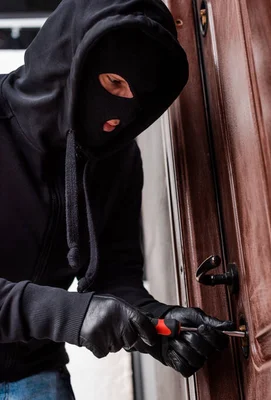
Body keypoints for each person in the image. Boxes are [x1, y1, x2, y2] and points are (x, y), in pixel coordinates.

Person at [0, 0, 234, 396]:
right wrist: (70, 314)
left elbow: (114, 276)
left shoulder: (117, 158)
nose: (121, 112)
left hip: (36, 374)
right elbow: (77, 311)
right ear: (67, 60)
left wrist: (157, 324)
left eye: (138, 97)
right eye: (113, 82)